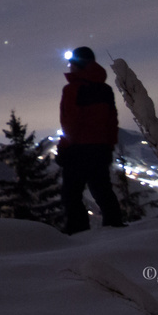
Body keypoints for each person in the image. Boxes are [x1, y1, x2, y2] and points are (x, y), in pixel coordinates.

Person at [56, 46, 125, 233]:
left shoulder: (72, 89)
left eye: (72, 63)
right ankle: (115, 227)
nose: (69, 67)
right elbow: (112, 121)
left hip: (78, 150)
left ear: (79, 65)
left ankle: (77, 233)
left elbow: (70, 122)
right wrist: (109, 146)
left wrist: (64, 148)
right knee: (102, 190)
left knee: (71, 194)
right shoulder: (105, 90)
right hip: (100, 149)